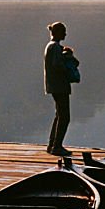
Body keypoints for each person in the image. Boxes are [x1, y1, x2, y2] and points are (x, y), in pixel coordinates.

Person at [44, 21, 77, 157]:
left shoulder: (51, 46)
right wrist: (69, 68)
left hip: (54, 86)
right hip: (59, 86)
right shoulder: (55, 47)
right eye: (63, 31)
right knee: (65, 117)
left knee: (59, 115)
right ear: (57, 32)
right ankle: (57, 146)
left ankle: (52, 145)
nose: (65, 34)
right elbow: (58, 65)